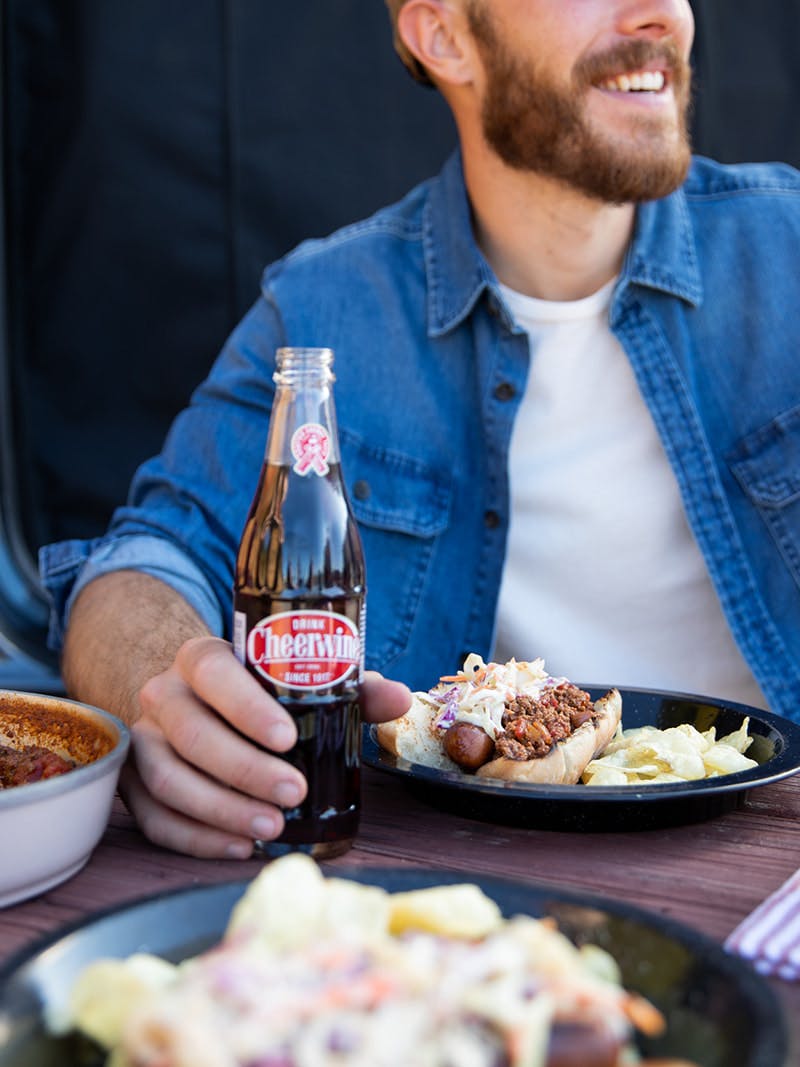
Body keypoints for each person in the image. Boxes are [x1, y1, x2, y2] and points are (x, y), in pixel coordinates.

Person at [40, 0, 800, 860]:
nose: (665, 13)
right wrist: (164, 691)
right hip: (445, 886)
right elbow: (144, 562)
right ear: (443, 36)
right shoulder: (325, 312)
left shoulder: (790, 251)